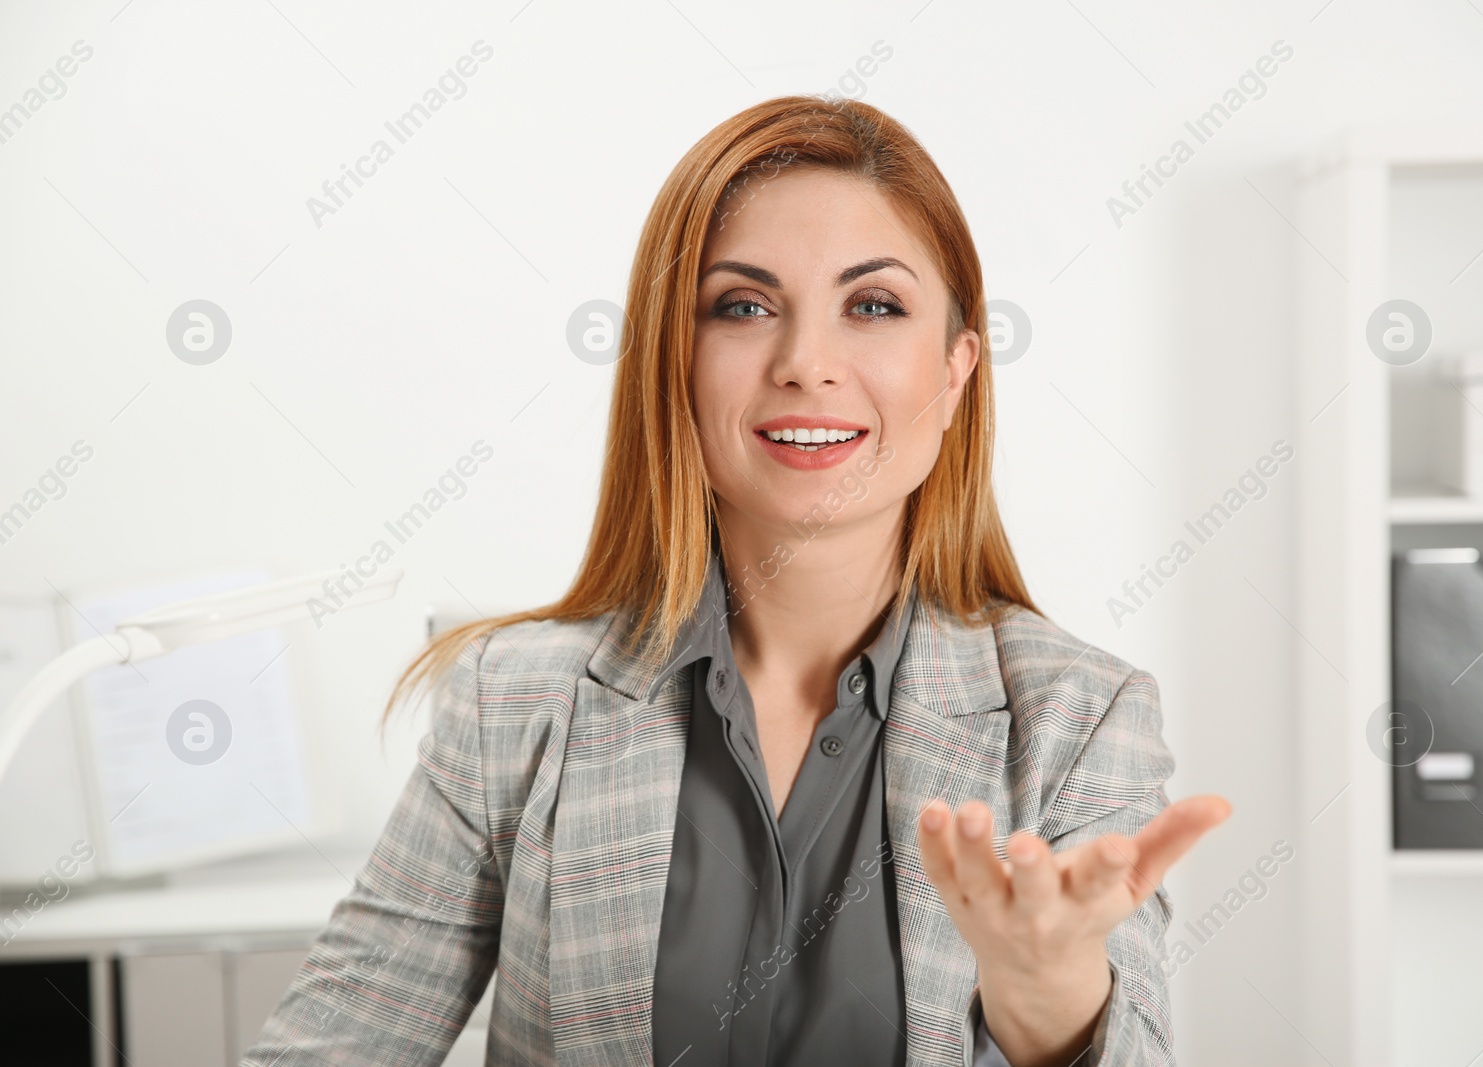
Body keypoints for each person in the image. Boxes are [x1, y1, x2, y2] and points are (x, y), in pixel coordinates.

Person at [241, 95, 1229, 1067]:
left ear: (957, 368)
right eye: (743, 306)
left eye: (873, 305)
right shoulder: (514, 701)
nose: (805, 362)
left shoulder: (1079, 712)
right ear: (675, 358)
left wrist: (1046, 989)